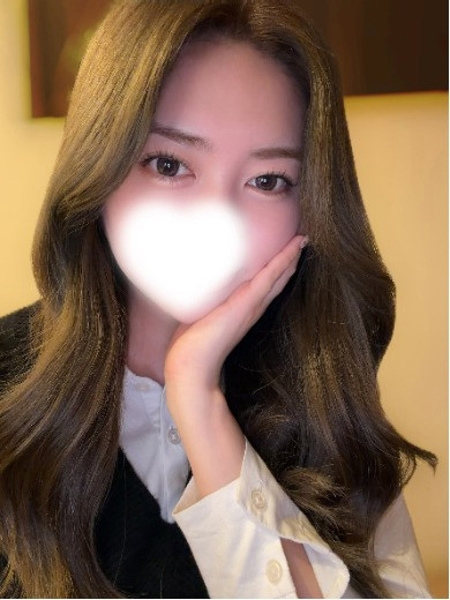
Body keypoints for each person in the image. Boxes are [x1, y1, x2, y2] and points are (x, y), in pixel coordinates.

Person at [0, 0, 437, 598]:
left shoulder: (327, 407)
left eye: (268, 181)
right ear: (98, 171)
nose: (215, 221)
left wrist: (198, 400)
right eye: (169, 164)